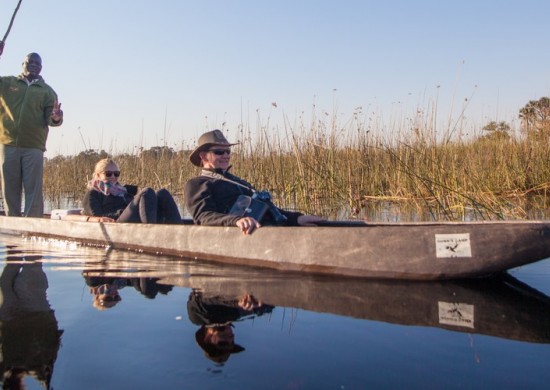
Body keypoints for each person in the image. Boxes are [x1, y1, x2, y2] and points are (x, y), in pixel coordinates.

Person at [184, 129, 325, 234]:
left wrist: (296, 219)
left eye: (228, 151)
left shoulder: (239, 183)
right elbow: (204, 217)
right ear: (203, 156)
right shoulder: (197, 184)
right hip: (240, 234)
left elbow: (265, 210)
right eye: (219, 152)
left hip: (266, 230)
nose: (226, 155)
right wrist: (236, 221)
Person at [0, 51, 63, 217]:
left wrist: (56, 118)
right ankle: (13, 227)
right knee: (9, 189)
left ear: (41, 68)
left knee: (33, 190)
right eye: (30, 62)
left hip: (34, 146)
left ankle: (33, 226)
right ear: (23, 64)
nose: (33, 65)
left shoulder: (47, 92)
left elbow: (52, 119)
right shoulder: (7, 83)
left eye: (37, 63)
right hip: (7, 144)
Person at [82, 158, 182, 224]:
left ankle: (180, 230)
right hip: (117, 223)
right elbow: (98, 217)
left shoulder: (123, 190)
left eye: (116, 174)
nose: (113, 177)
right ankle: (150, 232)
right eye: (108, 174)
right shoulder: (93, 193)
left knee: (162, 193)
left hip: (135, 218)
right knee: (147, 192)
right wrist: (120, 212)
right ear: (98, 175)